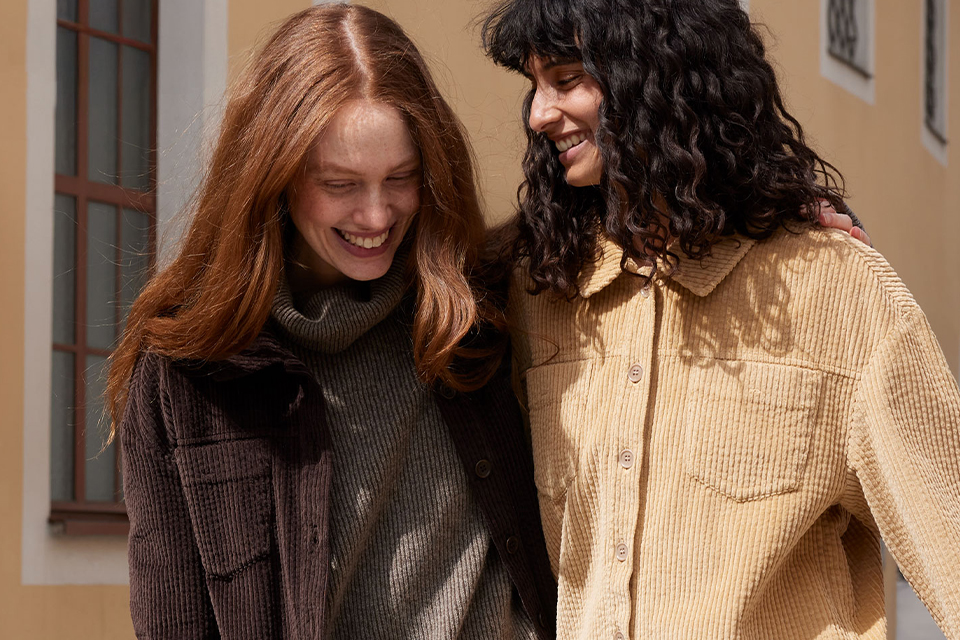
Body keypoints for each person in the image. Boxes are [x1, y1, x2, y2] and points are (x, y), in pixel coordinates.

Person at [481, 0, 960, 638]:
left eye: (567, 81)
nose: (539, 114)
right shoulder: (538, 290)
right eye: (534, 87)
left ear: (656, 76)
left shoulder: (842, 292)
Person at [106, 5, 558, 638]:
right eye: (341, 184)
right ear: (275, 176)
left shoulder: (479, 313)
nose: (376, 216)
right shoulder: (186, 368)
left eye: (400, 178)